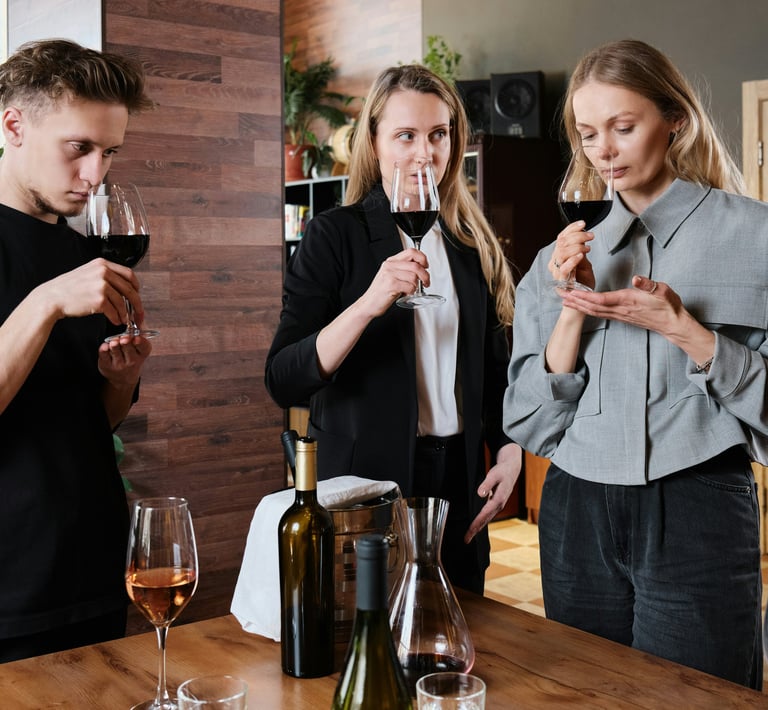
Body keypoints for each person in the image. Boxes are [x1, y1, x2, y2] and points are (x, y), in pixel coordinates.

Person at [504, 38, 766, 689]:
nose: (604, 151)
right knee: (584, 695)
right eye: (589, 134)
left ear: (675, 118)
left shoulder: (758, 240)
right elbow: (526, 421)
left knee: (700, 698)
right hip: (575, 515)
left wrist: (689, 333)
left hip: (699, 504)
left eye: (624, 127)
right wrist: (572, 310)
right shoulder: (555, 259)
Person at [266, 64, 522, 593]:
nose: (423, 153)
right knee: (370, 653)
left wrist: (508, 449)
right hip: (367, 488)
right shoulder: (333, 236)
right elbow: (284, 379)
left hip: (458, 484)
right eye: (405, 135)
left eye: (438, 135)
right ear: (376, 142)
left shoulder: (470, 245)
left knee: (459, 648)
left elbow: (498, 372)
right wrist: (368, 304)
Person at [0, 39, 154, 662]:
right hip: (9, 587)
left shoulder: (84, 257)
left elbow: (103, 421)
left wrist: (120, 380)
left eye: (109, 151)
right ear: (13, 125)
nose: (97, 174)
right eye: (79, 149)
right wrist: (44, 303)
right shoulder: (62, 282)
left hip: (94, 569)